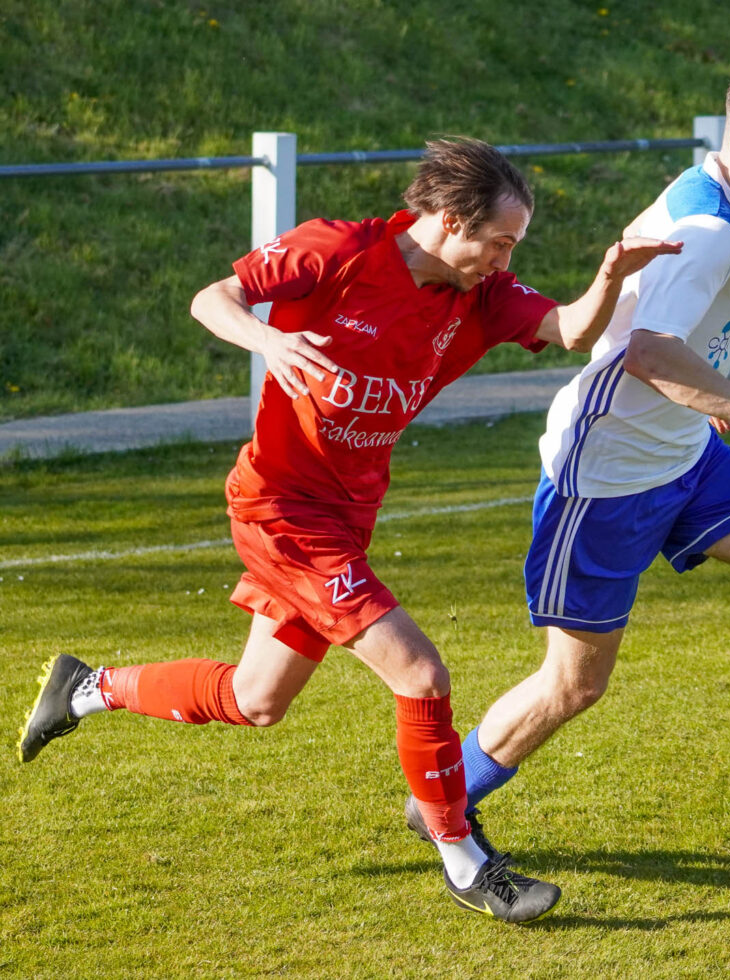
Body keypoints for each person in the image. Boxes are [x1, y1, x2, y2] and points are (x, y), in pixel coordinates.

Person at [17, 137, 681, 924]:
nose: (504, 259)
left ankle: (86, 687)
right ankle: (466, 862)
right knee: (421, 675)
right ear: (443, 220)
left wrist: (610, 274)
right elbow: (211, 298)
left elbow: (571, 329)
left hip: (346, 515)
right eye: (498, 240)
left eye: (514, 245)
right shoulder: (339, 251)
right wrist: (272, 341)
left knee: (256, 698)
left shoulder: (481, 293)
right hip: (281, 509)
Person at [406, 55, 730, 863]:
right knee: (574, 684)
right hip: (608, 473)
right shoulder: (709, 228)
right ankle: (441, 802)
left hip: (685, 453)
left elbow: (674, 343)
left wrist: (711, 405)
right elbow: (647, 355)